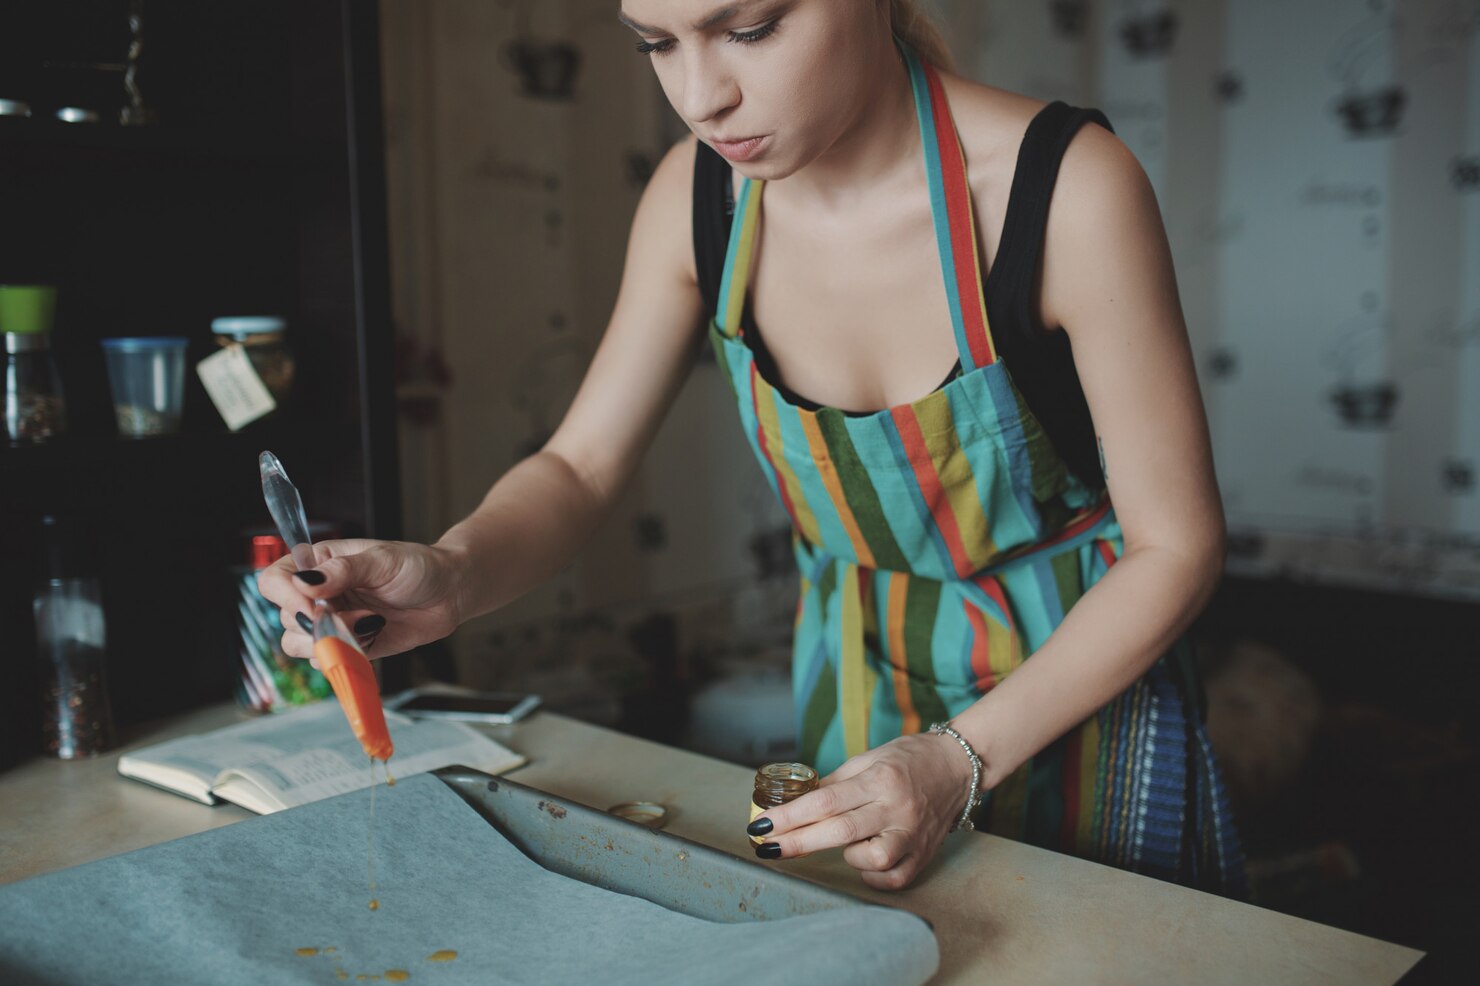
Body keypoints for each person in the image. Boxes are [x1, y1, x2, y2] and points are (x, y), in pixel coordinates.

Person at [260, 0, 1245, 896]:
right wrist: (454, 571)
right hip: (858, 678)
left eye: (752, 28)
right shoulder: (700, 201)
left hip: (1079, 698)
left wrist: (955, 757)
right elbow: (579, 467)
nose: (701, 96)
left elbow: (1177, 545)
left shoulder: (1062, 187)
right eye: (655, 43)